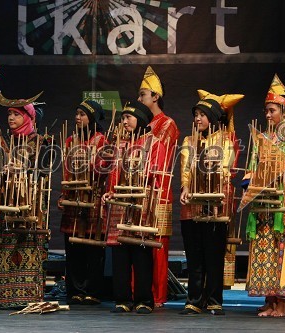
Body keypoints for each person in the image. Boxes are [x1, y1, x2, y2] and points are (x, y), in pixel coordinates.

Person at [243, 74, 285, 317]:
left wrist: (264, 170)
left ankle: (282, 303)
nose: (267, 115)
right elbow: (251, 166)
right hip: (263, 196)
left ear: (284, 110)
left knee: (283, 246)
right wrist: (250, 180)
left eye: (271, 111)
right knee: (265, 247)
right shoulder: (262, 138)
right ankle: (270, 301)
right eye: (266, 111)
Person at [178, 91, 243, 315]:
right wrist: (186, 188)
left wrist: (213, 190)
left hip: (217, 202)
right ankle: (194, 299)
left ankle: (214, 299)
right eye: (195, 114)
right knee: (194, 254)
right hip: (193, 204)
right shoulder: (188, 140)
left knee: (214, 253)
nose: (197, 119)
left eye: (202, 115)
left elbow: (225, 170)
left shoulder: (225, 141)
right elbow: (185, 170)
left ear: (213, 117)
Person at [0, 92, 51, 309]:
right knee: (8, 246)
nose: (11, 118)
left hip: (31, 201)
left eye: (16, 114)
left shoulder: (42, 141)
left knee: (29, 245)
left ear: (28, 117)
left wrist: (24, 169)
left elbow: (44, 172)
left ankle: (29, 296)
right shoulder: (7, 143)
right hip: (8, 201)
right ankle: (6, 297)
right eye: (9, 114)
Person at [103, 100, 169, 314]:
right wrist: (110, 192)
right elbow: (113, 173)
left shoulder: (154, 143)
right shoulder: (121, 145)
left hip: (141, 203)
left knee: (141, 253)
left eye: (128, 118)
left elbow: (156, 173)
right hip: (121, 204)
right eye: (122, 118)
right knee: (120, 254)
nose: (124, 122)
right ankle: (122, 298)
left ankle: (143, 299)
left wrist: (139, 186)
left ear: (140, 120)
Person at [137, 66, 179, 307]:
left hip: (159, 192)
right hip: (138, 192)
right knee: (136, 244)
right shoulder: (138, 122)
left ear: (155, 96)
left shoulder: (167, 125)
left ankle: (157, 295)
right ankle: (138, 292)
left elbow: (159, 159)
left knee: (158, 248)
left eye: (143, 94)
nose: (139, 99)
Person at [58, 100, 107, 305]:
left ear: (92, 117)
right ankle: (75, 289)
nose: (78, 117)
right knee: (73, 246)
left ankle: (92, 289)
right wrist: (63, 194)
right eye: (76, 113)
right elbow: (67, 172)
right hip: (73, 198)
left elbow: (104, 170)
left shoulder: (101, 140)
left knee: (93, 247)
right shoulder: (70, 141)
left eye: (82, 114)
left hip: (94, 198)